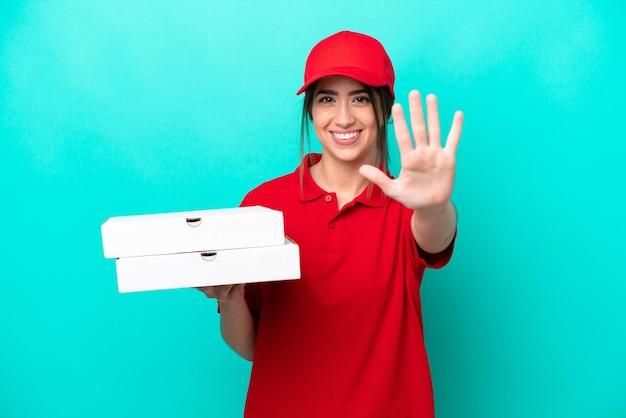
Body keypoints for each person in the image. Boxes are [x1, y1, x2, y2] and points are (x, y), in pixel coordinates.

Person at [198, 30, 464, 418]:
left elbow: (435, 238)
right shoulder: (263, 206)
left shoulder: (407, 205)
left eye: (360, 98)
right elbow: (252, 346)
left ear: (385, 110)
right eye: (327, 99)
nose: (343, 117)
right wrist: (231, 296)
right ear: (310, 110)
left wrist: (436, 205)